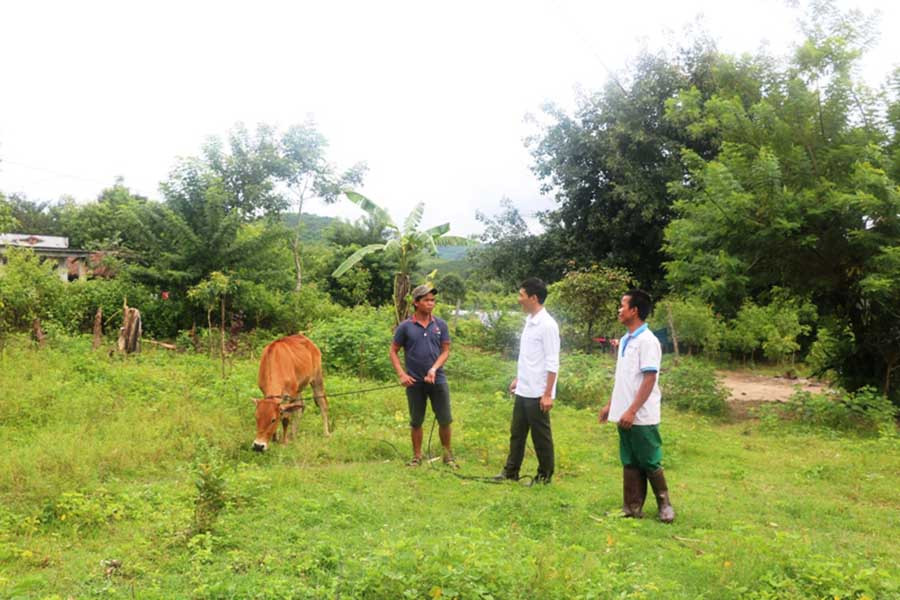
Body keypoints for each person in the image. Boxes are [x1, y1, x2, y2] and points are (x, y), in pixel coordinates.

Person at [598, 290, 675, 523]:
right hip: (623, 412)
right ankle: (632, 507)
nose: (619, 310)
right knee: (629, 459)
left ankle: (665, 505)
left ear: (635, 310)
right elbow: (623, 378)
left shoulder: (648, 341)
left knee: (650, 459)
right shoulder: (625, 340)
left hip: (641, 414)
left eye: (623, 305)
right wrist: (612, 405)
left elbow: (649, 379)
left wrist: (632, 410)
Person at [495, 277, 560, 484]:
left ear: (533, 298)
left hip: (538, 392)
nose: (518, 299)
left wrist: (548, 394)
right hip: (524, 388)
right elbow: (529, 357)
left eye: (521, 295)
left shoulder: (548, 325)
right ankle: (511, 471)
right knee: (517, 433)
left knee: (541, 437)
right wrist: (518, 379)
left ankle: (544, 476)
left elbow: (552, 362)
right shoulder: (529, 321)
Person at [389, 284, 456, 468]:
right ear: (416, 303)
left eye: (433, 300)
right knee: (416, 420)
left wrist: (434, 369)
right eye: (426, 300)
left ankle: (447, 455)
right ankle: (417, 457)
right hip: (414, 381)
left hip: (437, 379)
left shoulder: (440, 325)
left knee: (444, 418)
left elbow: (445, 351)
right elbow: (393, 351)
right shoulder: (405, 327)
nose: (431, 303)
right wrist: (402, 374)